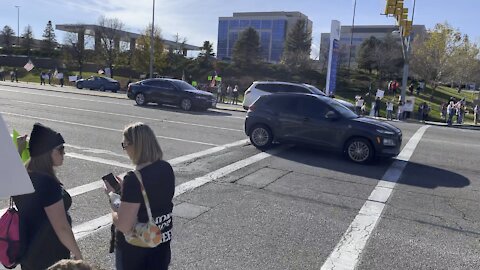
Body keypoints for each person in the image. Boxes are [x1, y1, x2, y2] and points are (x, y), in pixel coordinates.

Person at [13, 123, 83, 270]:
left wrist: (19, 150)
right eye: (60, 149)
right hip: (50, 256)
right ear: (47, 152)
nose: (64, 153)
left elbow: (13, 171)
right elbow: (61, 227)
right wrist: (79, 257)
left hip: (28, 254)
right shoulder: (47, 184)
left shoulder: (22, 177)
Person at [106, 123, 174, 270]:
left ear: (135, 146)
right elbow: (152, 196)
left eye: (125, 145)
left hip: (136, 253)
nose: (125, 150)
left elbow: (124, 225)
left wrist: (112, 197)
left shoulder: (134, 179)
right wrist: (127, 191)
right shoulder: (166, 168)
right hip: (161, 245)